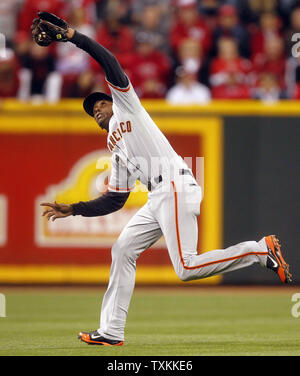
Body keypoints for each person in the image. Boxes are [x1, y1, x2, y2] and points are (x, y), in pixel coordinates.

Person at [32, 12, 292, 347]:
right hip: (159, 196)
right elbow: (116, 199)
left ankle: (259, 250)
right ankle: (111, 330)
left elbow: (109, 61)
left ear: (113, 101)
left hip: (174, 184)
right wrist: (76, 209)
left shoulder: (128, 108)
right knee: (123, 248)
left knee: (185, 268)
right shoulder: (116, 149)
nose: (96, 108)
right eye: (91, 109)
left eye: (100, 103)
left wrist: (74, 37)